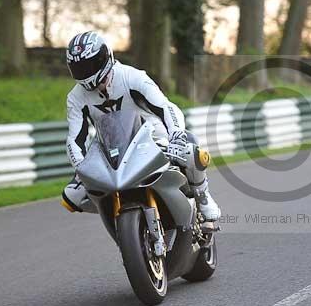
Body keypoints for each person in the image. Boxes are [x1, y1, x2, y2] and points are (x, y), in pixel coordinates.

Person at [60, 31, 221, 222]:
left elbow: (165, 107)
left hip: (152, 137)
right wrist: (81, 167)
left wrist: (176, 135)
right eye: (79, 68)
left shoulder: (132, 77)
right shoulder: (76, 98)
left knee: (191, 153)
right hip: (111, 149)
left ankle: (202, 197)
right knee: (71, 196)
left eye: (90, 65)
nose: (86, 72)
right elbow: (75, 139)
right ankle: (116, 217)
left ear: (105, 57)